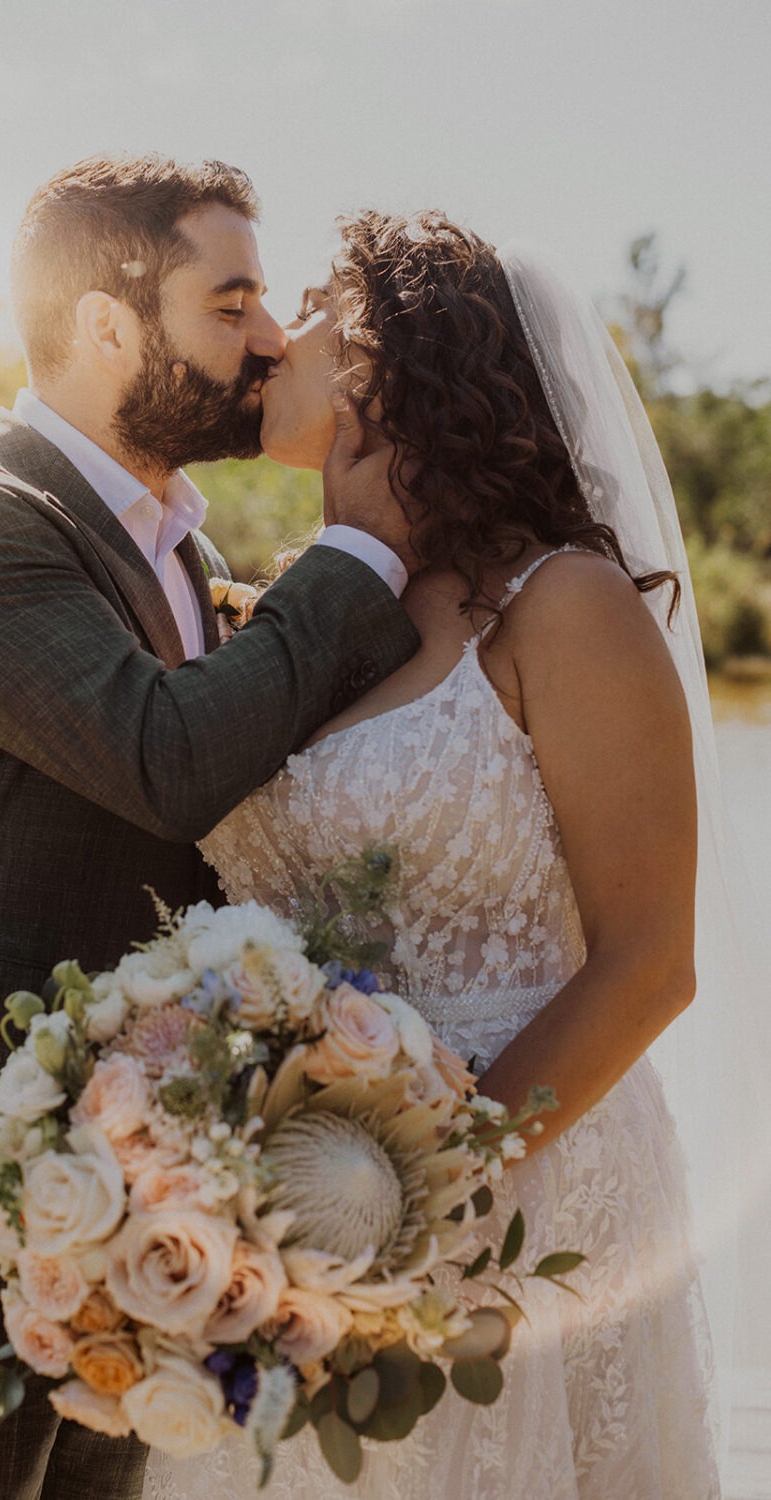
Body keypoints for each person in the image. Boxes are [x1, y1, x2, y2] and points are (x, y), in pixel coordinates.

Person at [0, 157, 423, 1500]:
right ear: (104, 325)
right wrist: (361, 554)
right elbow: (167, 755)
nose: (266, 339)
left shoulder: (184, 554)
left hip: (149, 1189)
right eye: (231, 300)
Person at [145, 212, 722, 1499]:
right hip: (295, 1200)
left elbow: (648, 964)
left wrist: (418, 1187)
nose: (270, 338)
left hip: (522, 1188)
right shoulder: (306, 605)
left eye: (304, 305)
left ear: (386, 362)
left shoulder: (559, 603)